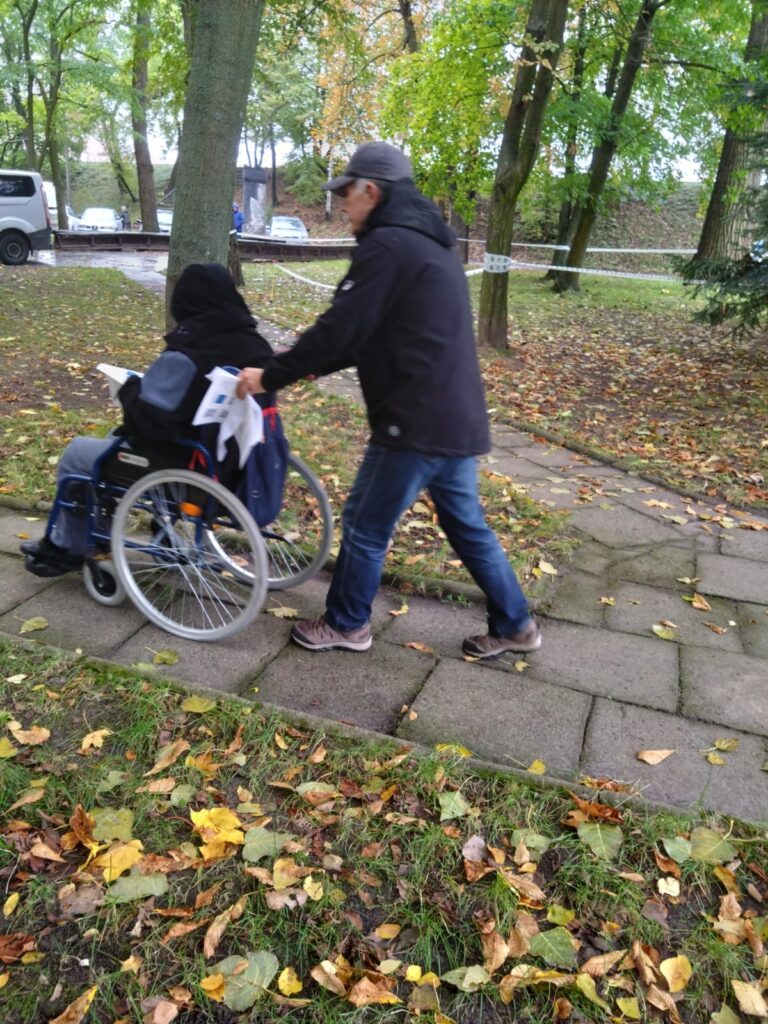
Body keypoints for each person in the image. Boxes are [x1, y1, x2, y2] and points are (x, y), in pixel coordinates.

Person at [236, 140, 540, 660]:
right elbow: (364, 336)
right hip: (454, 416)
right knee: (467, 525)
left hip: (413, 422)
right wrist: (300, 364)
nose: (344, 206)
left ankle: (347, 623)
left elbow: (340, 329)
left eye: (347, 195)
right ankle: (516, 626)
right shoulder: (430, 240)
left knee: (366, 524)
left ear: (371, 191)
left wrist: (271, 375)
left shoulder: (388, 245)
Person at [22, 263, 274, 577]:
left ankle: (66, 546)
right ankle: (143, 531)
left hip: (182, 465)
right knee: (122, 442)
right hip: (238, 463)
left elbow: (150, 422)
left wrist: (129, 390)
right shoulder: (258, 349)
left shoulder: (188, 354)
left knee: (77, 455)